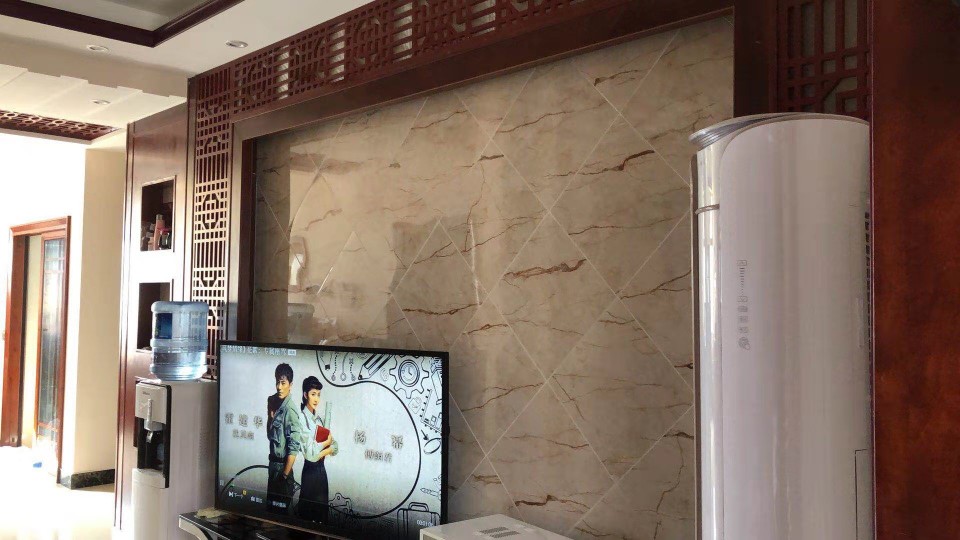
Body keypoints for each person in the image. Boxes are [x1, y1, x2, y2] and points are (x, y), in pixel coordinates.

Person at [296, 376, 336, 522]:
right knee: (307, 517)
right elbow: (311, 455)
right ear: (305, 394)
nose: (316, 399)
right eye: (313, 394)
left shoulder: (319, 419)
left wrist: (329, 447)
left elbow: (335, 446)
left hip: (321, 471)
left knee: (322, 517)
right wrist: (328, 447)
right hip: (310, 471)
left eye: (318, 395)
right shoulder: (301, 419)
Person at [266, 363, 304, 515]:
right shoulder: (274, 402)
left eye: (283, 383)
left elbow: (294, 448)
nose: (279, 387)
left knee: (280, 516)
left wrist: (284, 476)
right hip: (273, 467)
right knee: (270, 513)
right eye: (277, 382)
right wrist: (270, 417)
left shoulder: (290, 410)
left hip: (283, 470)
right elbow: (270, 436)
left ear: (290, 385)